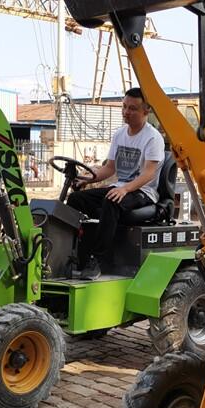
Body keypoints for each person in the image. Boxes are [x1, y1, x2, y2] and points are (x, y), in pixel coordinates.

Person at [67, 87, 165, 280]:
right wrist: (86, 179)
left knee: (111, 201)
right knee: (76, 199)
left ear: (146, 111)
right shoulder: (119, 134)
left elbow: (149, 174)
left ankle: (98, 260)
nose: (126, 112)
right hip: (120, 187)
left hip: (143, 191)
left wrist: (125, 189)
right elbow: (109, 168)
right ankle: (75, 252)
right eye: (124, 107)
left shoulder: (153, 138)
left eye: (133, 109)